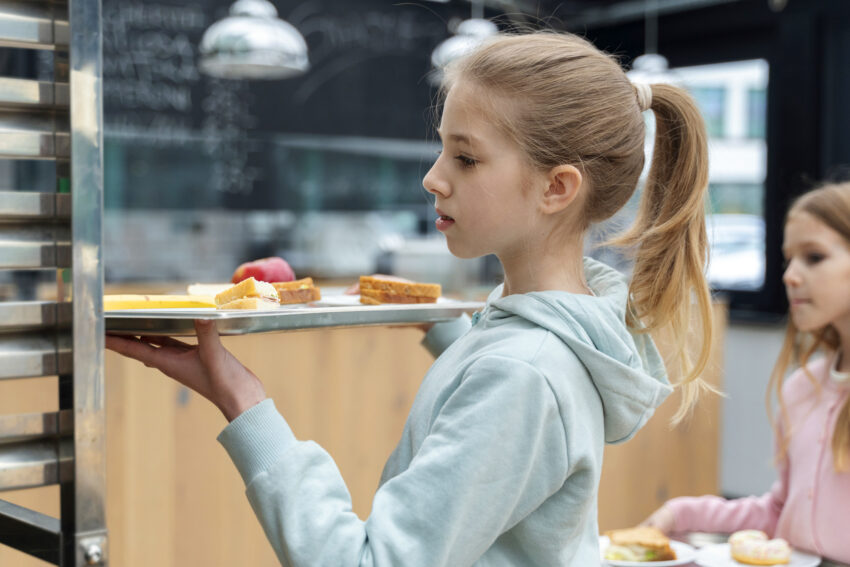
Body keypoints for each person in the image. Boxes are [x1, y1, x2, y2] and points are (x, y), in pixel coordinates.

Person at [106, 31, 716, 566]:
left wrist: (244, 402)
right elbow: (511, 400)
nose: (433, 176)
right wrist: (436, 326)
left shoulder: (522, 377)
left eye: (466, 157)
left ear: (556, 187)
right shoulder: (556, 340)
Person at [643, 182, 850, 564]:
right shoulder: (802, 388)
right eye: (789, 260)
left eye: (815, 257)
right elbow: (778, 513)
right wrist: (681, 513)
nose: (790, 275)